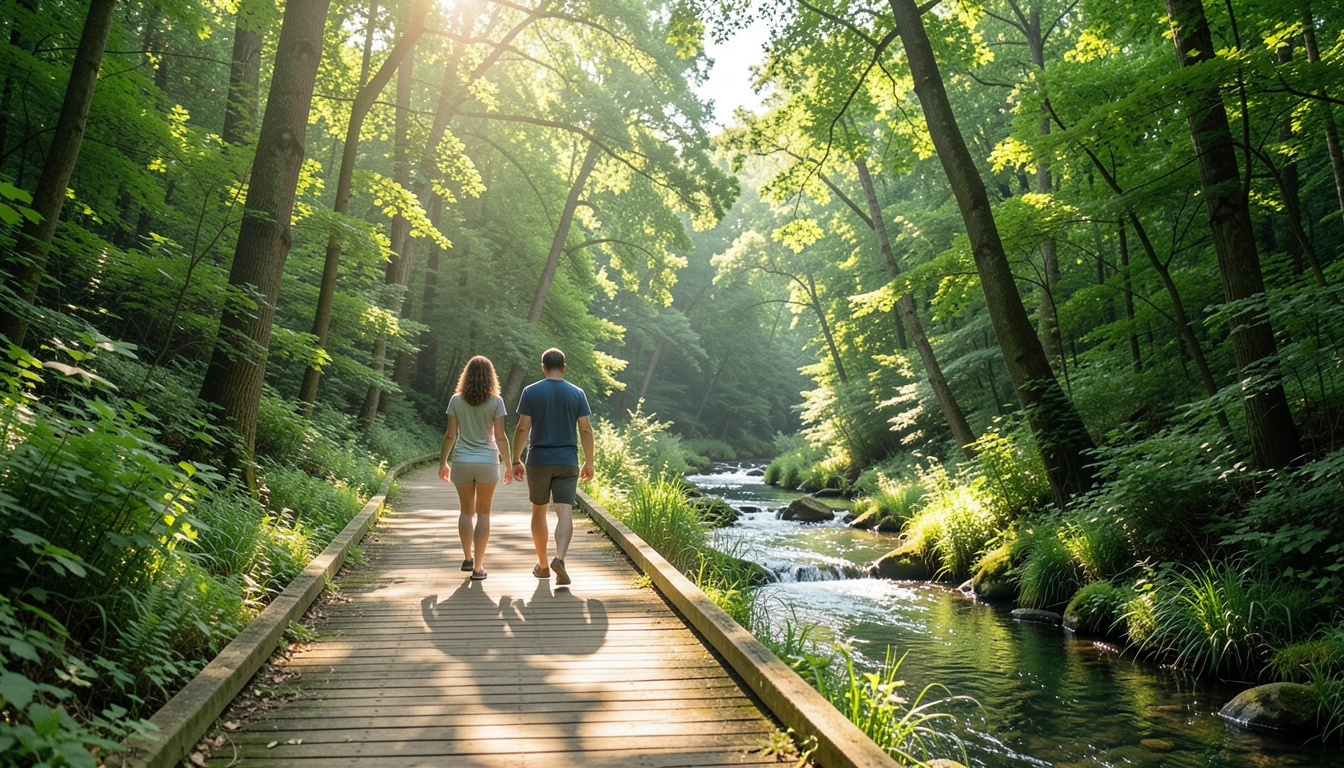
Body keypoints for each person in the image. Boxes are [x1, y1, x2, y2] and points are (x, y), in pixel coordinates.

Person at [511, 348, 594, 586]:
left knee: (539, 511)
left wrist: (516, 460)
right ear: (564, 367)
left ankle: (543, 565)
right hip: (567, 460)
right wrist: (589, 462)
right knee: (564, 511)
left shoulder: (531, 391)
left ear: (543, 367)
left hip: (538, 459)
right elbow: (585, 429)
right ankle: (560, 558)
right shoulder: (577, 393)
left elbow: (522, 428)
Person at [439, 355, 510, 580]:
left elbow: (450, 435)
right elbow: (500, 437)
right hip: (487, 461)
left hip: (462, 460)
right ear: (491, 377)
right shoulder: (496, 402)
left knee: (466, 512)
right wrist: (510, 465)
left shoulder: (456, 400)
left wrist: (443, 462)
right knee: (484, 513)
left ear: (466, 375)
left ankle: (467, 558)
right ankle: (478, 568)